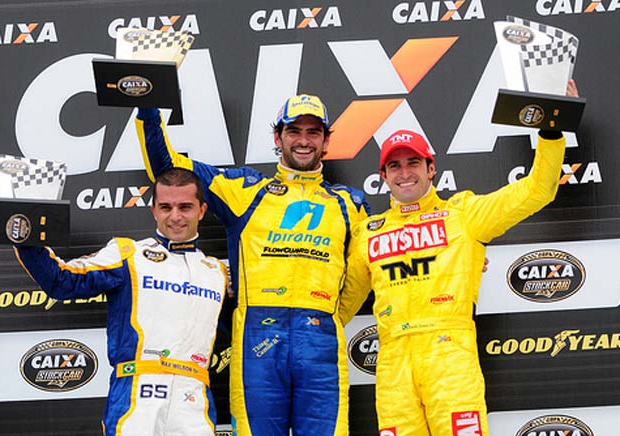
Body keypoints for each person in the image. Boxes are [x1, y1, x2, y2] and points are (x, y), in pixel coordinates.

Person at [340, 81, 579, 436]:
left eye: (413, 163)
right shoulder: (367, 232)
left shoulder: (463, 214)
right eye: (395, 166)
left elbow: (537, 189)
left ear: (431, 168)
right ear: (383, 177)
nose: (405, 173)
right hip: (392, 366)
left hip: (449, 356)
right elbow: (341, 305)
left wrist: (551, 130)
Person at [135, 94, 371, 436]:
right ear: (278, 138)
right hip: (258, 342)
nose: (303, 140)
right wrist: (147, 106)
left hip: (321, 343)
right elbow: (168, 169)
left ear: (326, 141)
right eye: (294, 131)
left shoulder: (350, 204)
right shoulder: (245, 189)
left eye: (313, 132)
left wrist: (331, 317)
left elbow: (366, 270)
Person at [14, 168, 228, 436]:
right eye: (166, 207)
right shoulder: (128, 253)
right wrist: (25, 233)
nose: (175, 217)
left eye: (185, 207)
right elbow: (61, 281)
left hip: (194, 397)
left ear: (202, 210)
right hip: (137, 393)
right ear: (153, 210)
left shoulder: (218, 272)